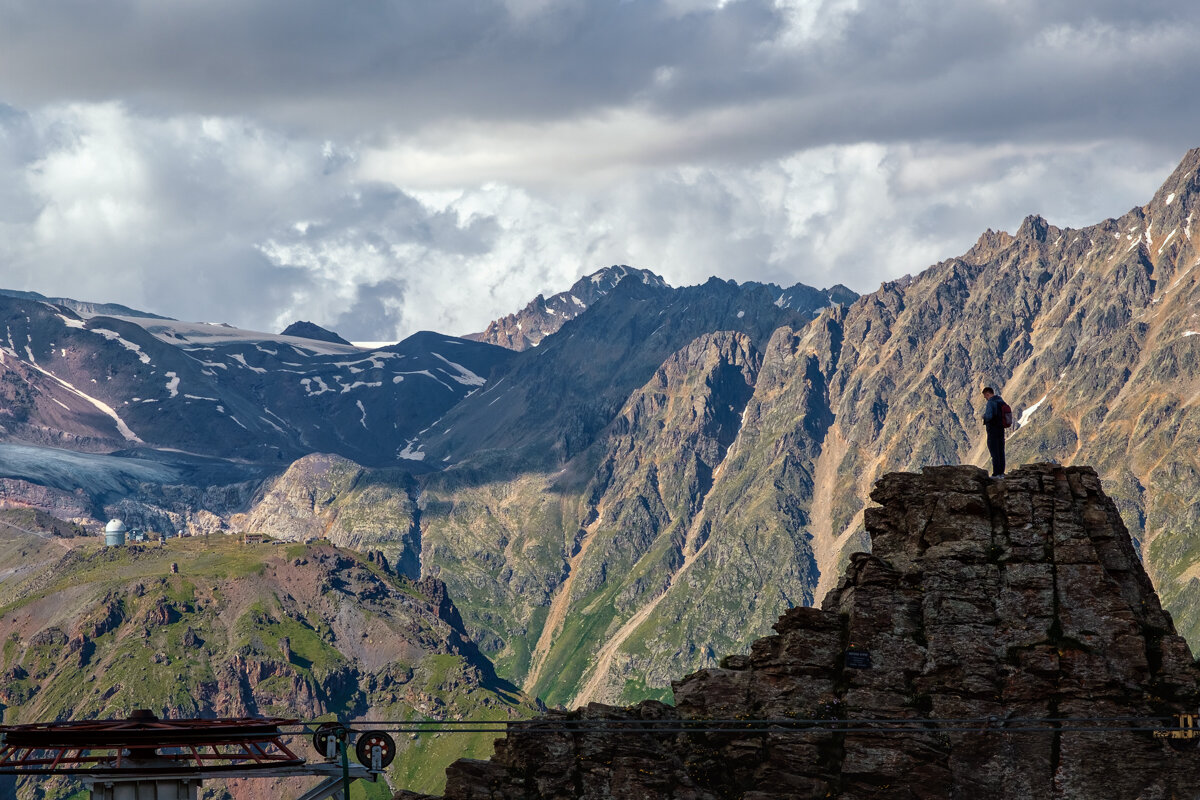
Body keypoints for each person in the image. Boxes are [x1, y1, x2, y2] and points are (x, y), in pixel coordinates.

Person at [981, 386, 1006, 478]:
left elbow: (989, 416)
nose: (985, 398)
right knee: (1001, 451)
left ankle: (996, 473)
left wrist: (984, 417)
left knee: (994, 452)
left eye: (985, 396)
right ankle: (1001, 473)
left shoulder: (991, 403)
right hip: (1001, 430)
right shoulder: (1001, 401)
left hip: (993, 431)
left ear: (987, 394)